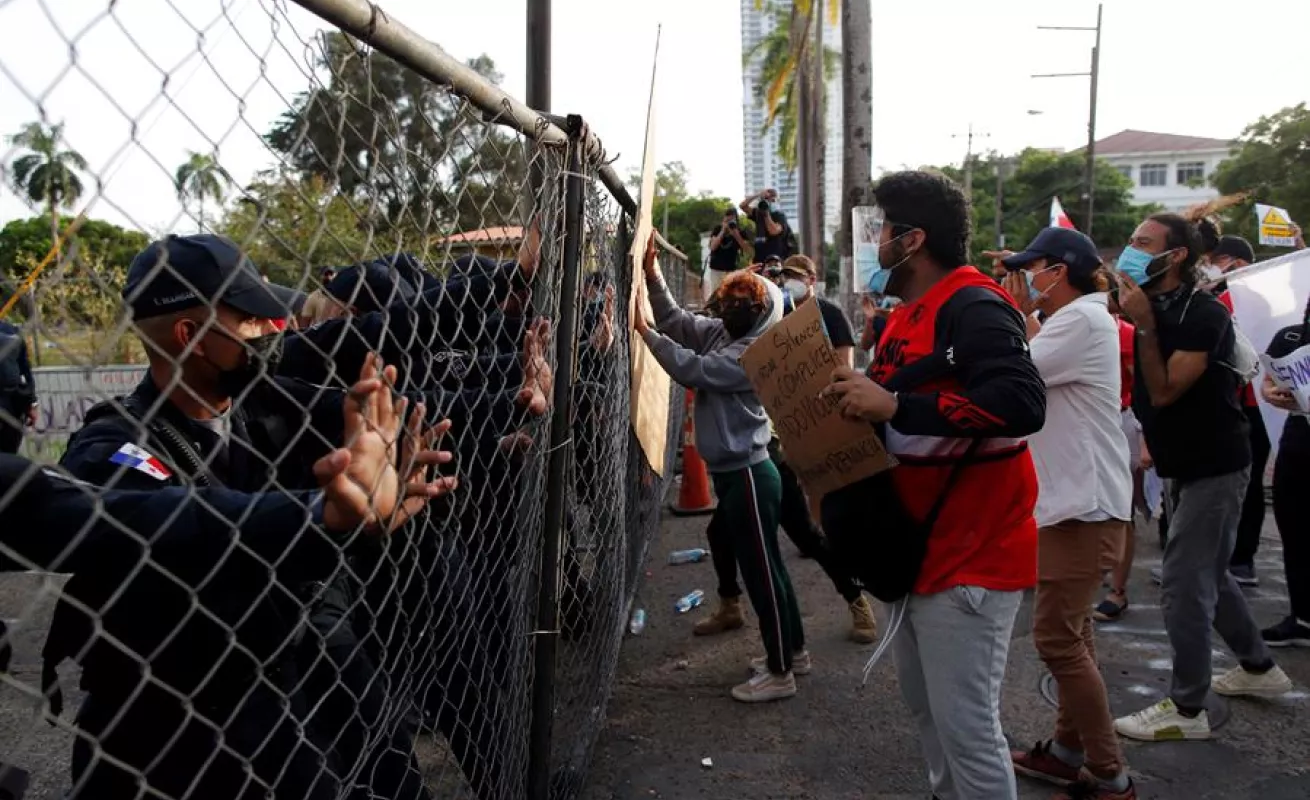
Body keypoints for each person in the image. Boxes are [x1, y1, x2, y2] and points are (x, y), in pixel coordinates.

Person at [48, 234, 456, 799]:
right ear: (190, 337)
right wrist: (322, 517)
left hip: (300, 670)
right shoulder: (114, 444)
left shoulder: (267, 401)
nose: (272, 332)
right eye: (250, 322)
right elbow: (177, 518)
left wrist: (491, 409)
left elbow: (391, 408)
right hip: (176, 718)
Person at [822, 171, 1046, 800]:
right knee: (931, 720)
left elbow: (1021, 402)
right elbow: (891, 400)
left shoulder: (972, 304)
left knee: (968, 732)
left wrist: (894, 408)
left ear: (913, 239)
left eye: (881, 229)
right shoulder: (905, 315)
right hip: (915, 552)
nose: (875, 242)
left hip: (971, 557)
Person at [1112, 213, 1291, 743]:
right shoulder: (1153, 304)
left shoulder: (1202, 313)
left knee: (1185, 584)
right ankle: (1259, 667)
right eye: (1131, 241)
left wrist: (1143, 326)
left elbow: (1165, 389)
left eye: (1143, 244)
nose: (1130, 252)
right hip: (1178, 460)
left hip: (1216, 463)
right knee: (1210, 573)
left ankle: (1188, 709)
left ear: (1178, 256)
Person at [635, 236, 804, 703]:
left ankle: (780, 670)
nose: (730, 309)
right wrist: (651, 277)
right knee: (767, 564)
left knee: (761, 571)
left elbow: (692, 369)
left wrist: (645, 335)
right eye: (727, 300)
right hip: (739, 475)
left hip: (749, 475)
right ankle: (794, 650)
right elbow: (679, 323)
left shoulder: (751, 354)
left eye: (741, 303)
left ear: (760, 311)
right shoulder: (725, 333)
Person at [998, 228, 1135, 799]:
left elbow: (1015, 372)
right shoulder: (1079, 320)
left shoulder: (1081, 320)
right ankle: (1067, 749)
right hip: (1079, 500)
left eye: (1035, 268)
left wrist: (1007, 310)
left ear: (1063, 270)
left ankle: (1108, 772)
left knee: (1056, 639)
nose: (1029, 278)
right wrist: (1022, 312)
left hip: (1082, 503)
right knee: (1074, 633)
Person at [693, 254, 877, 644]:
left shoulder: (826, 315)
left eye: (793, 276)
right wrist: (745, 280)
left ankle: (856, 599)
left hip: (789, 443)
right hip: (765, 439)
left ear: (811, 279)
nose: (786, 281)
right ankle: (730, 604)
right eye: (780, 276)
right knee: (719, 533)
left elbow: (838, 375)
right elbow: (713, 312)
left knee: (807, 536)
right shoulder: (761, 316)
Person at [1203, 235, 1268, 586]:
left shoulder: (1230, 301)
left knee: (1241, 486)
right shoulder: (1263, 299)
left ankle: (1237, 560)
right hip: (1260, 404)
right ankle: (1240, 560)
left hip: (1246, 404)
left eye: (1215, 261)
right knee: (1250, 484)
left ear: (1235, 264)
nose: (1210, 270)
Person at [1094, 285, 1149, 623]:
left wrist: (1146, 441)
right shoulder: (1066, 325)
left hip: (1120, 424)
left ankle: (1118, 590)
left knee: (1120, 511)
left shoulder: (1124, 333)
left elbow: (1142, 390)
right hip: (1087, 428)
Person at [1258, 296, 1310, 647]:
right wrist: (1273, 393)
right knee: (1294, 527)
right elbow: (1267, 381)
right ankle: (1302, 615)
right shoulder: (1290, 336)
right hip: (1298, 438)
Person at [0, 319, 37, 454]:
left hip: (10, 400)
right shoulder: (13, 332)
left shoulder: (12, 332)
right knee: (10, 450)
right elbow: (26, 371)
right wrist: (32, 403)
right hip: (13, 401)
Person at [705, 207, 752, 300]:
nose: (729, 222)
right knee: (716, 295)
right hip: (716, 269)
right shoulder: (718, 229)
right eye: (727, 220)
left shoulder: (740, 232)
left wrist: (736, 234)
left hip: (731, 270)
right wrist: (723, 231)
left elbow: (748, 250)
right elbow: (713, 247)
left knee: (730, 296)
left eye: (732, 220)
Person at [740, 189, 791, 262]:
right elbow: (743, 206)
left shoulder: (780, 215)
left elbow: (773, 231)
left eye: (771, 199)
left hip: (775, 258)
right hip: (759, 257)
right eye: (766, 199)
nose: (769, 201)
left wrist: (766, 214)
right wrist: (758, 195)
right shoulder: (758, 212)